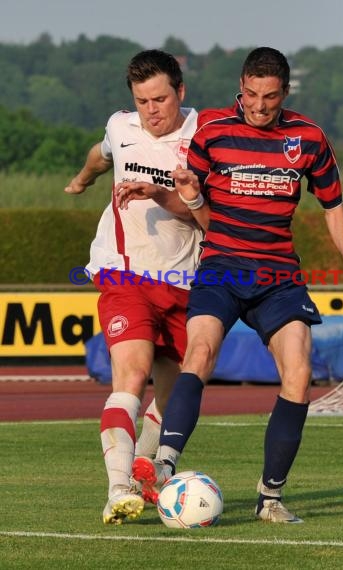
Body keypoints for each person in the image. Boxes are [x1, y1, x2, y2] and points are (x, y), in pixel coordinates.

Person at [132, 47, 343, 524]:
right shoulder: (213, 132)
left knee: (299, 372)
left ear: (285, 93)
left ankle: (270, 496)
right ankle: (163, 464)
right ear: (240, 87)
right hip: (222, 265)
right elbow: (194, 207)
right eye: (250, 95)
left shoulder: (308, 137)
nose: (259, 106)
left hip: (278, 275)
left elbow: (333, 205)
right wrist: (177, 192)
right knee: (199, 353)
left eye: (269, 97)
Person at [64, 50, 208, 524]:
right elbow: (99, 155)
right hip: (124, 274)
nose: (152, 110)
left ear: (180, 93)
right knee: (132, 373)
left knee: (173, 395)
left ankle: (146, 470)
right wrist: (83, 179)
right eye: (142, 100)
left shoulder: (204, 136)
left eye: (161, 98)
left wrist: (165, 194)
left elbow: (210, 215)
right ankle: (118, 487)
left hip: (184, 280)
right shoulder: (120, 127)